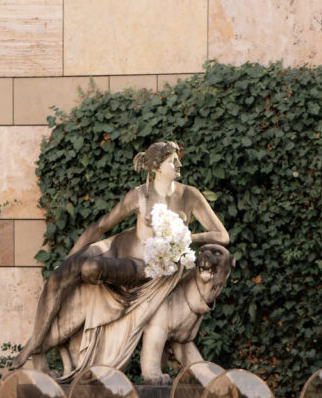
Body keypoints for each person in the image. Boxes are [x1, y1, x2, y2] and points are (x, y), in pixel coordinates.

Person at [12, 141, 229, 377]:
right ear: (156, 167)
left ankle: (39, 345)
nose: (179, 164)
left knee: (89, 269)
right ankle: (36, 347)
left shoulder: (189, 195)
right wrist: (68, 257)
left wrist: (181, 238)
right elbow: (101, 226)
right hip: (118, 247)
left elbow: (221, 235)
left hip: (143, 268)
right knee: (59, 274)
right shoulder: (139, 195)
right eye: (172, 161)